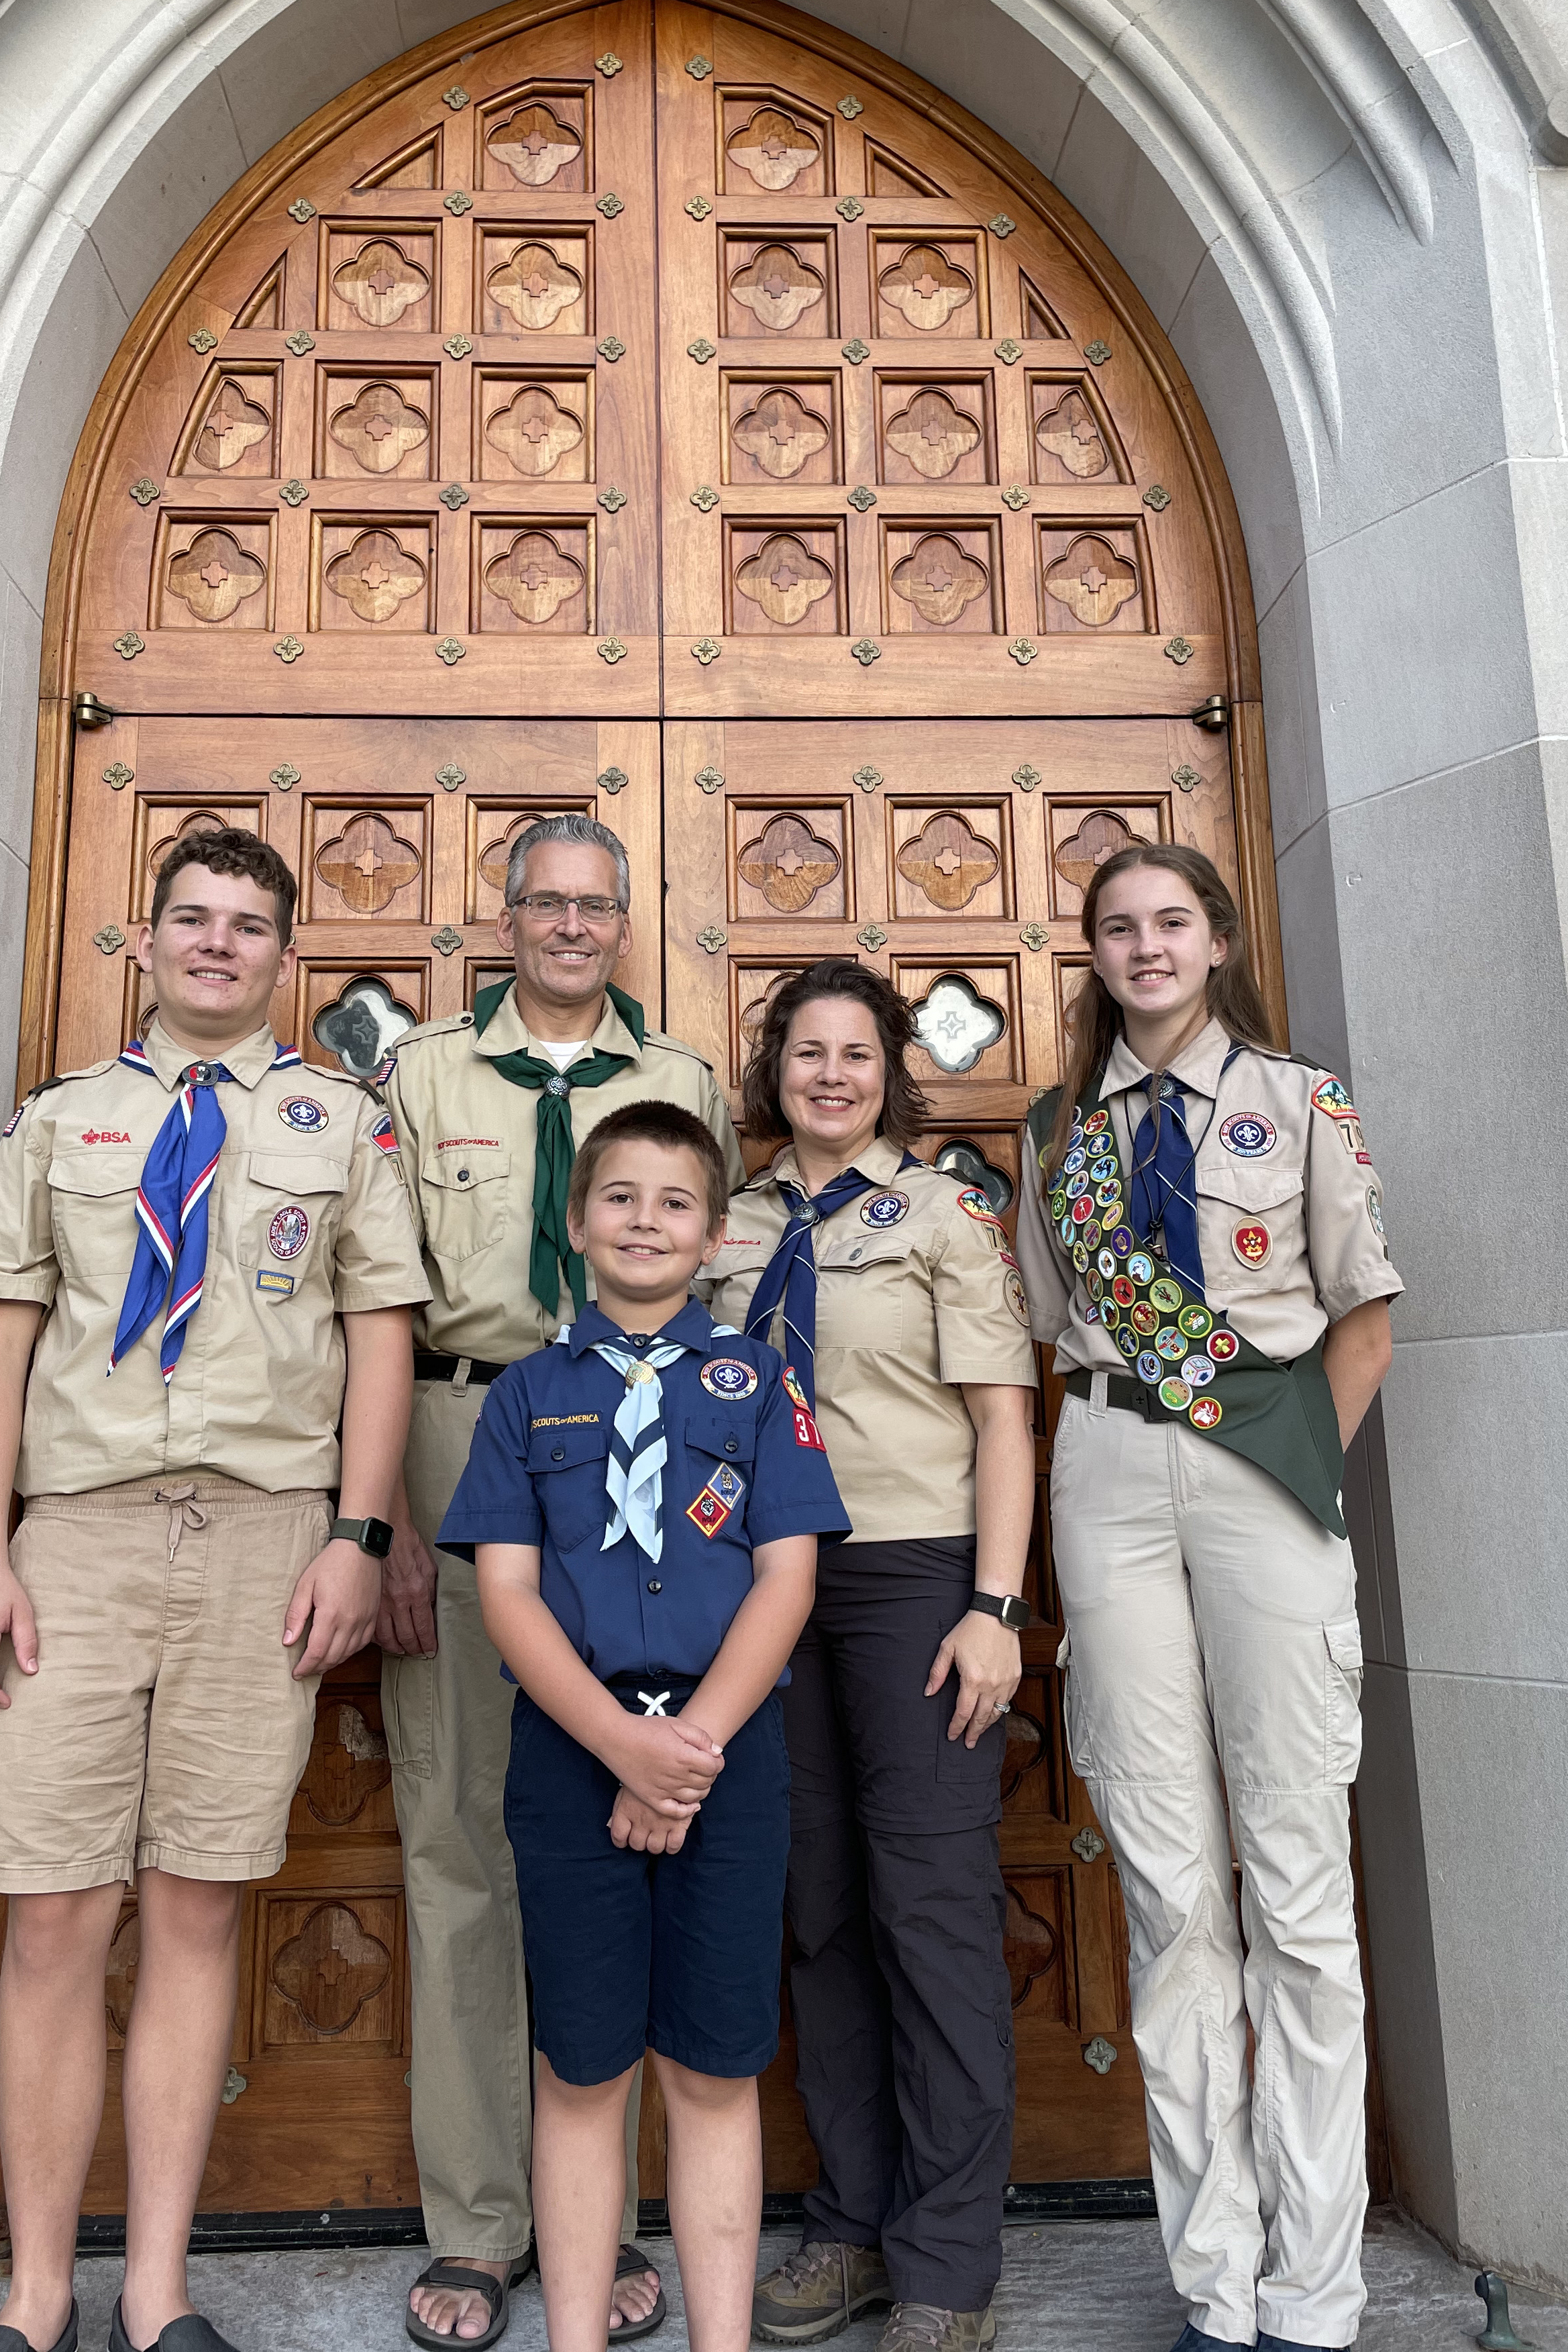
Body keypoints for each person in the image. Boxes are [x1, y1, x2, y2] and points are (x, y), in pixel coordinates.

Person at [0, 826, 424, 2352]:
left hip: (266, 1536)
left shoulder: (341, 1121)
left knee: (201, 1906)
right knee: (54, 1916)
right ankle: (33, 2299)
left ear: (284, 958)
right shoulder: (60, 1123)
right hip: (70, 1540)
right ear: (143, 943)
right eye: (193, 920)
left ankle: (156, 2295)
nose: (219, 944)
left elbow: (382, 1336)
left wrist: (358, 1534)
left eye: (249, 926)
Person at [1012, 843, 1400, 2352]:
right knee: (1173, 1901)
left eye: (1173, 920)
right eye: (1119, 927)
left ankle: (1317, 2293)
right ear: (1095, 953)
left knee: (1299, 1893)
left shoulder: (1303, 1102)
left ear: (1219, 939)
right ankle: (1215, 2289)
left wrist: (1293, 1470)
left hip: (1266, 1474)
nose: (1146, 946)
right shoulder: (1060, 1130)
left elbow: (1360, 1317)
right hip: (1108, 1466)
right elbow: (1055, 1324)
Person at [378, 814, 745, 2347]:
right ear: (504, 915)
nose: (575, 928)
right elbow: (379, 1303)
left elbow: (714, 1313)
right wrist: (385, 1520)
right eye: (549, 904)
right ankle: (480, 2225)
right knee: (464, 1835)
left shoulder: (686, 1085)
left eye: (601, 907)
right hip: (467, 1435)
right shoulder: (422, 1078)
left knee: (636, 1828)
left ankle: (619, 2226)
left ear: (624, 923)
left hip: (640, 1464)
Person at [438, 1101, 851, 2352]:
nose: (646, 1222)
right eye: (619, 1198)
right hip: (572, 1760)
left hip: (729, 1758)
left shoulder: (759, 1383)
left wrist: (686, 1755)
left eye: (676, 1203)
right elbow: (506, 1590)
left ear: (717, 1235)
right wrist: (623, 1749)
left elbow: (788, 1577)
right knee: (582, 2069)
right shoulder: (525, 1396)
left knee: (716, 2071)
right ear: (577, 1224)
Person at [700, 959, 1039, 2352]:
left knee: (933, 1910)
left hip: (912, 1579)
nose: (829, 1076)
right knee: (819, 1908)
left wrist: (997, 1608)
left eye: (855, 1054)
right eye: (804, 1053)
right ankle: (850, 2224)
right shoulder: (725, 1222)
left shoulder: (947, 1214)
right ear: (773, 1070)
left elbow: (1005, 1422)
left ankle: (950, 2260)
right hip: (763, 1582)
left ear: (891, 1072)